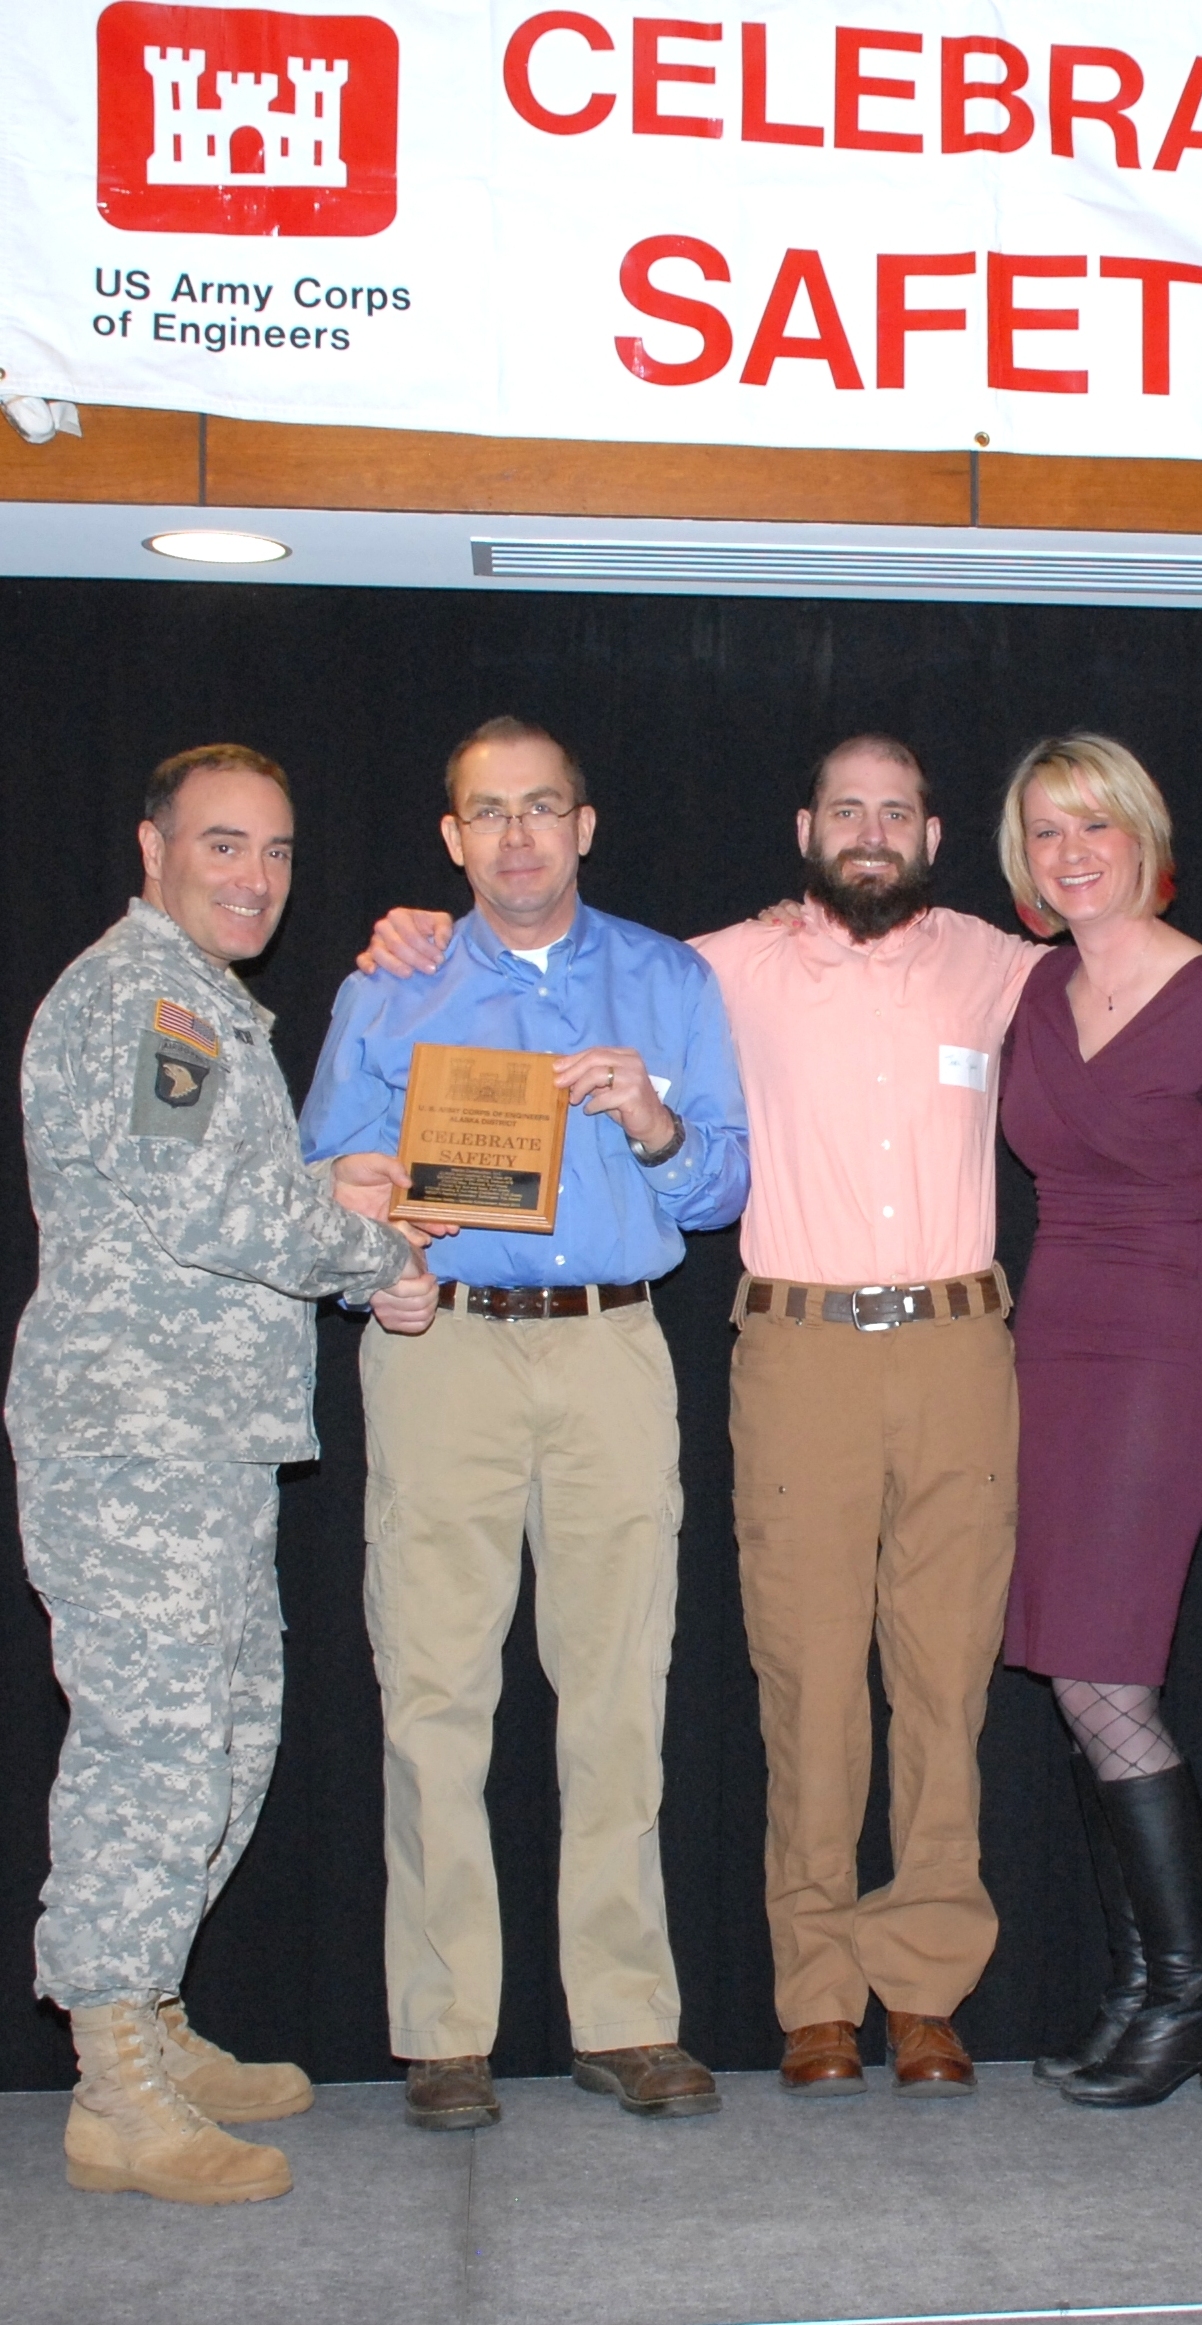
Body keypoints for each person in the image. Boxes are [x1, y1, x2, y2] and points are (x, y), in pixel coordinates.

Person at [359, 733, 1039, 2099]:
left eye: (893, 811)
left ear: (932, 830)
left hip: (961, 1341)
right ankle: (815, 1998)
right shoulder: (711, 963)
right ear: (803, 826)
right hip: (791, 1347)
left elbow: (1129, 965)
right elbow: (527, 977)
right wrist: (405, 932)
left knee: (944, 1683)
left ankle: (924, 1990)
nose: (867, 831)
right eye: (844, 809)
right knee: (805, 1686)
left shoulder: (1000, 962)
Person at [300, 717, 748, 2132]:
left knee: (620, 1688)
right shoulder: (393, 985)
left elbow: (724, 1184)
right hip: (443, 1354)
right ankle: (445, 2030)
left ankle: (626, 2016)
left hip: (614, 1346)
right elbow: (326, 1173)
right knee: (433, 1689)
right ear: (451, 838)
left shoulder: (668, 980)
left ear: (585, 823)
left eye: (540, 808)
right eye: (487, 814)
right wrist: (389, 1255)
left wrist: (654, 1125)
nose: (516, 838)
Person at [6, 743, 433, 2204]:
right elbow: (206, 1203)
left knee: (225, 1735)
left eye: (278, 850)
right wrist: (371, 1249)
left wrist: (333, 1198)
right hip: (134, 1440)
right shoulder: (149, 999)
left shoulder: (199, 1005)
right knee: (154, 1748)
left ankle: (156, 2018)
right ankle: (115, 2083)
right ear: (153, 847)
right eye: (224, 845)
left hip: (200, 1435)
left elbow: (217, 1195)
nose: (255, 876)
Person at [995, 735, 1202, 2108]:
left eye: (1095, 825)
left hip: (1163, 1362)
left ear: (1141, 833)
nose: (1073, 850)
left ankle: (1187, 1995)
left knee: (1102, 1676)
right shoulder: (1032, 986)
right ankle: (1150, 1984)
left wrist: (1186, 1274)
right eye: (1046, 831)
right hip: (1052, 1353)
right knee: (1074, 1670)